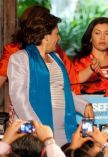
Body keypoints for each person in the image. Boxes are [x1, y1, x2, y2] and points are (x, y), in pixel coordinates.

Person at [7, 9, 94, 146]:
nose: (58, 38)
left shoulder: (57, 58)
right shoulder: (20, 58)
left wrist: (84, 106)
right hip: (38, 133)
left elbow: (64, 92)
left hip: (64, 130)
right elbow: (19, 99)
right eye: (56, 34)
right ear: (46, 36)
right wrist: (38, 128)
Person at [72, 17, 108, 97]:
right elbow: (72, 86)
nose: (102, 38)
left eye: (107, 34)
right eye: (97, 33)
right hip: (87, 106)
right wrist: (90, 69)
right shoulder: (79, 62)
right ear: (90, 37)